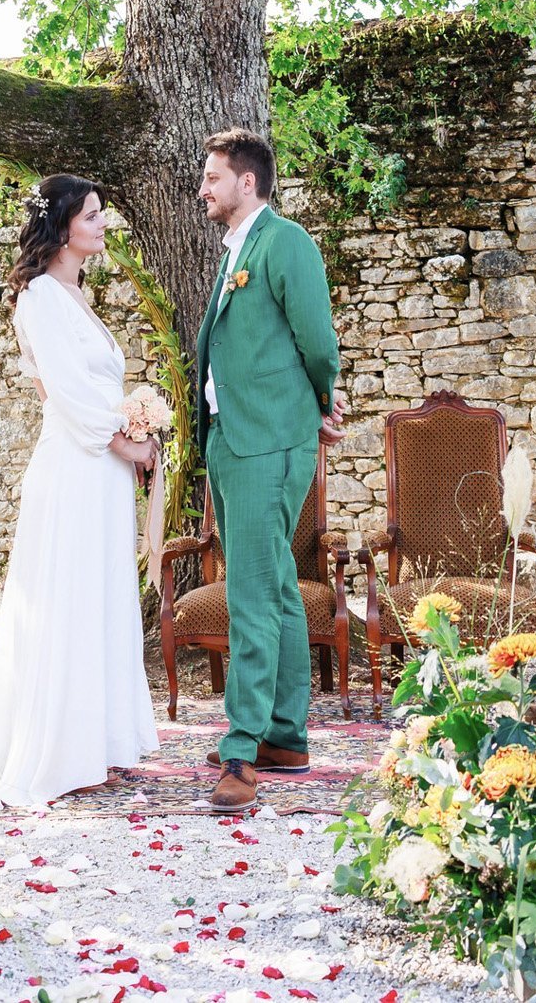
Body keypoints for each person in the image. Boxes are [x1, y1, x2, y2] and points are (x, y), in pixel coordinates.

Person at [0, 174, 160, 808]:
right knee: (69, 595)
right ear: (63, 227)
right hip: (76, 466)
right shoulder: (40, 298)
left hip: (100, 468)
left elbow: (84, 386)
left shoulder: (77, 298)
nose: (104, 225)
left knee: (100, 594)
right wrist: (125, 439)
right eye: (94, 215)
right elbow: (67, 392)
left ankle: (98, 740)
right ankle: (59, 748)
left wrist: (132, 431)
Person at [192, 128, 345, 814]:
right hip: (233, 440)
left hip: (268, 445)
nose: (204, 189)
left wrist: (321, 402)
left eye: (213, 178)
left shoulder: (286, 242)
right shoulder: (236, 252)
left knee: (250, 592)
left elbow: (318, 339)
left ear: (246, 182)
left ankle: (242, 750)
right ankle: (285, 733)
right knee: (277, 587)